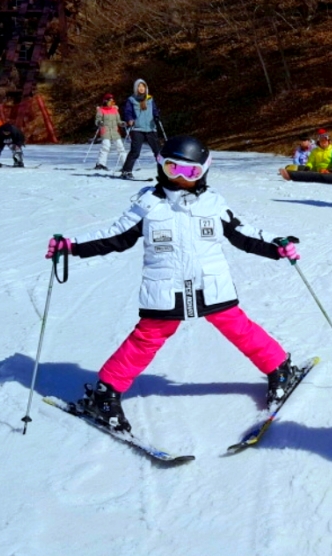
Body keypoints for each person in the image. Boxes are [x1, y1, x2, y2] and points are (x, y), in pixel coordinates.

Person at [43, 136, 302, 433]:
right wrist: (71, 246)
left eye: (189, 172)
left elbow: (244, 234)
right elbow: (114, 236)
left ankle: (280, 368)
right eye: (171, 168)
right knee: (147, 336)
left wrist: (276, 245)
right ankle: (104, 395)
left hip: (210, 284)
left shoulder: (213, 204)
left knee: (236, 326)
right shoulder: (148, 205)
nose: (179, 178)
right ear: (160, 166)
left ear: (204, 172)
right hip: (165, 288)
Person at [120, 78, 161, 180]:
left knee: (158, 152)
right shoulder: (131, 100)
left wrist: (156, 116)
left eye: (143, 86)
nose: (141, 88)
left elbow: (155, 110)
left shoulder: (150, 99)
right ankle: (126, 171)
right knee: (135, 151)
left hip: (151, 128)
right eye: (139, 86)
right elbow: (127, 111)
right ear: (136, 88)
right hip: (137, 129)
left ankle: (164, 172)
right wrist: (129, 119)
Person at [93, 93, 127, 171]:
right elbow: (97, 120)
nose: (112, 102)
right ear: (106, 101)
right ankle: (101, 164)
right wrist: (99, 122)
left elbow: (118, 121)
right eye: (110, 101)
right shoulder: (101, 110)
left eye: (112, 101)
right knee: (106, 146)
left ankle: (125, 164)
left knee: (120, 147)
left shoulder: (115, 110)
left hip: (115, 131)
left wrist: (122, 123)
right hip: (105, 131)